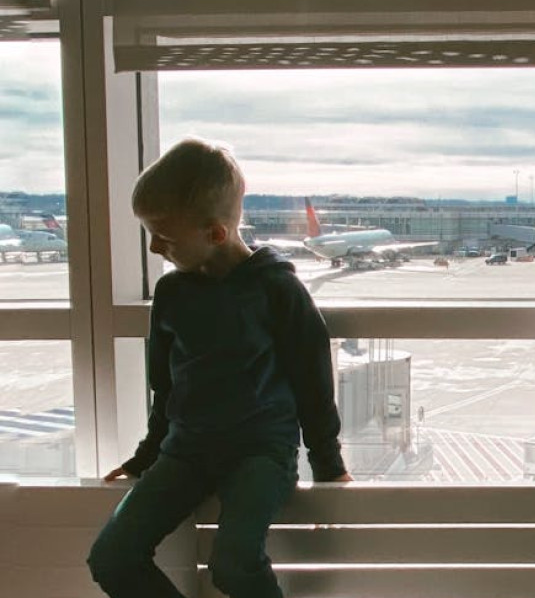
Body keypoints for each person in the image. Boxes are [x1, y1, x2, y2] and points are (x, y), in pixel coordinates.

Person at [87, 137, 352, 598]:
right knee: (111, 556)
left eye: (164, 237)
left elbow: (312, 382)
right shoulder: (173, 295)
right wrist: (147, 455)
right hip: (185, 452)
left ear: (215, 233)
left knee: (233, 564)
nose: (153, 248)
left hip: (260, 454)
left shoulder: (277, 291)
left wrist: (327, 466)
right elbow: (165, 389)